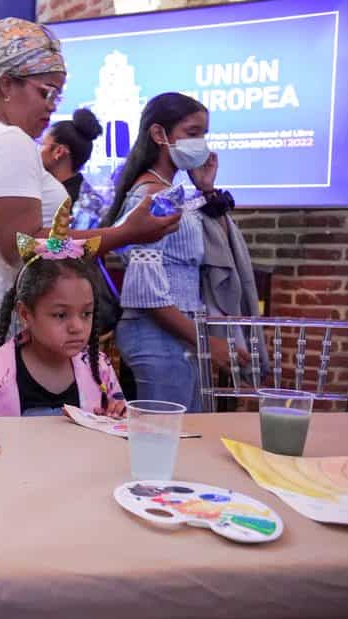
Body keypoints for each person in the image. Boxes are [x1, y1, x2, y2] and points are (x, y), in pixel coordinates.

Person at [0, 18, 179, 412]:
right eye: (45, 92)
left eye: (57, 96)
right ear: (6, 84)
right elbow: (23, 246)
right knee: (4, 452)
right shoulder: (6, 141)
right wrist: (125, 232)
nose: (51, 106)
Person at [104, 92, 246, 412]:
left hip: (177, 337)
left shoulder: (173, 192)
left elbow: (221, 252)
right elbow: (145, 293)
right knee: (165, 440)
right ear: (159, 135)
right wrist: (207, 343)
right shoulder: (152, 197)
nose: (201, 143)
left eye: (204, 134)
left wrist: (206, 189)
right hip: (157, 338)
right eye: (192, 133)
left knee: (184, 440)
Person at [0, 200, 125, 418]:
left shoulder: (98, 369)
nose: (77, 327)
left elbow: (119, 419)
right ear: (26, 314)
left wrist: (118, 414)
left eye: (86, 313)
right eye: (60, 315)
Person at [40, 108, 105, 229]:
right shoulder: (86, 196)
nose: (38, 150)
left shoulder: (84, 204)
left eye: (42, 144)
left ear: (58, 151)